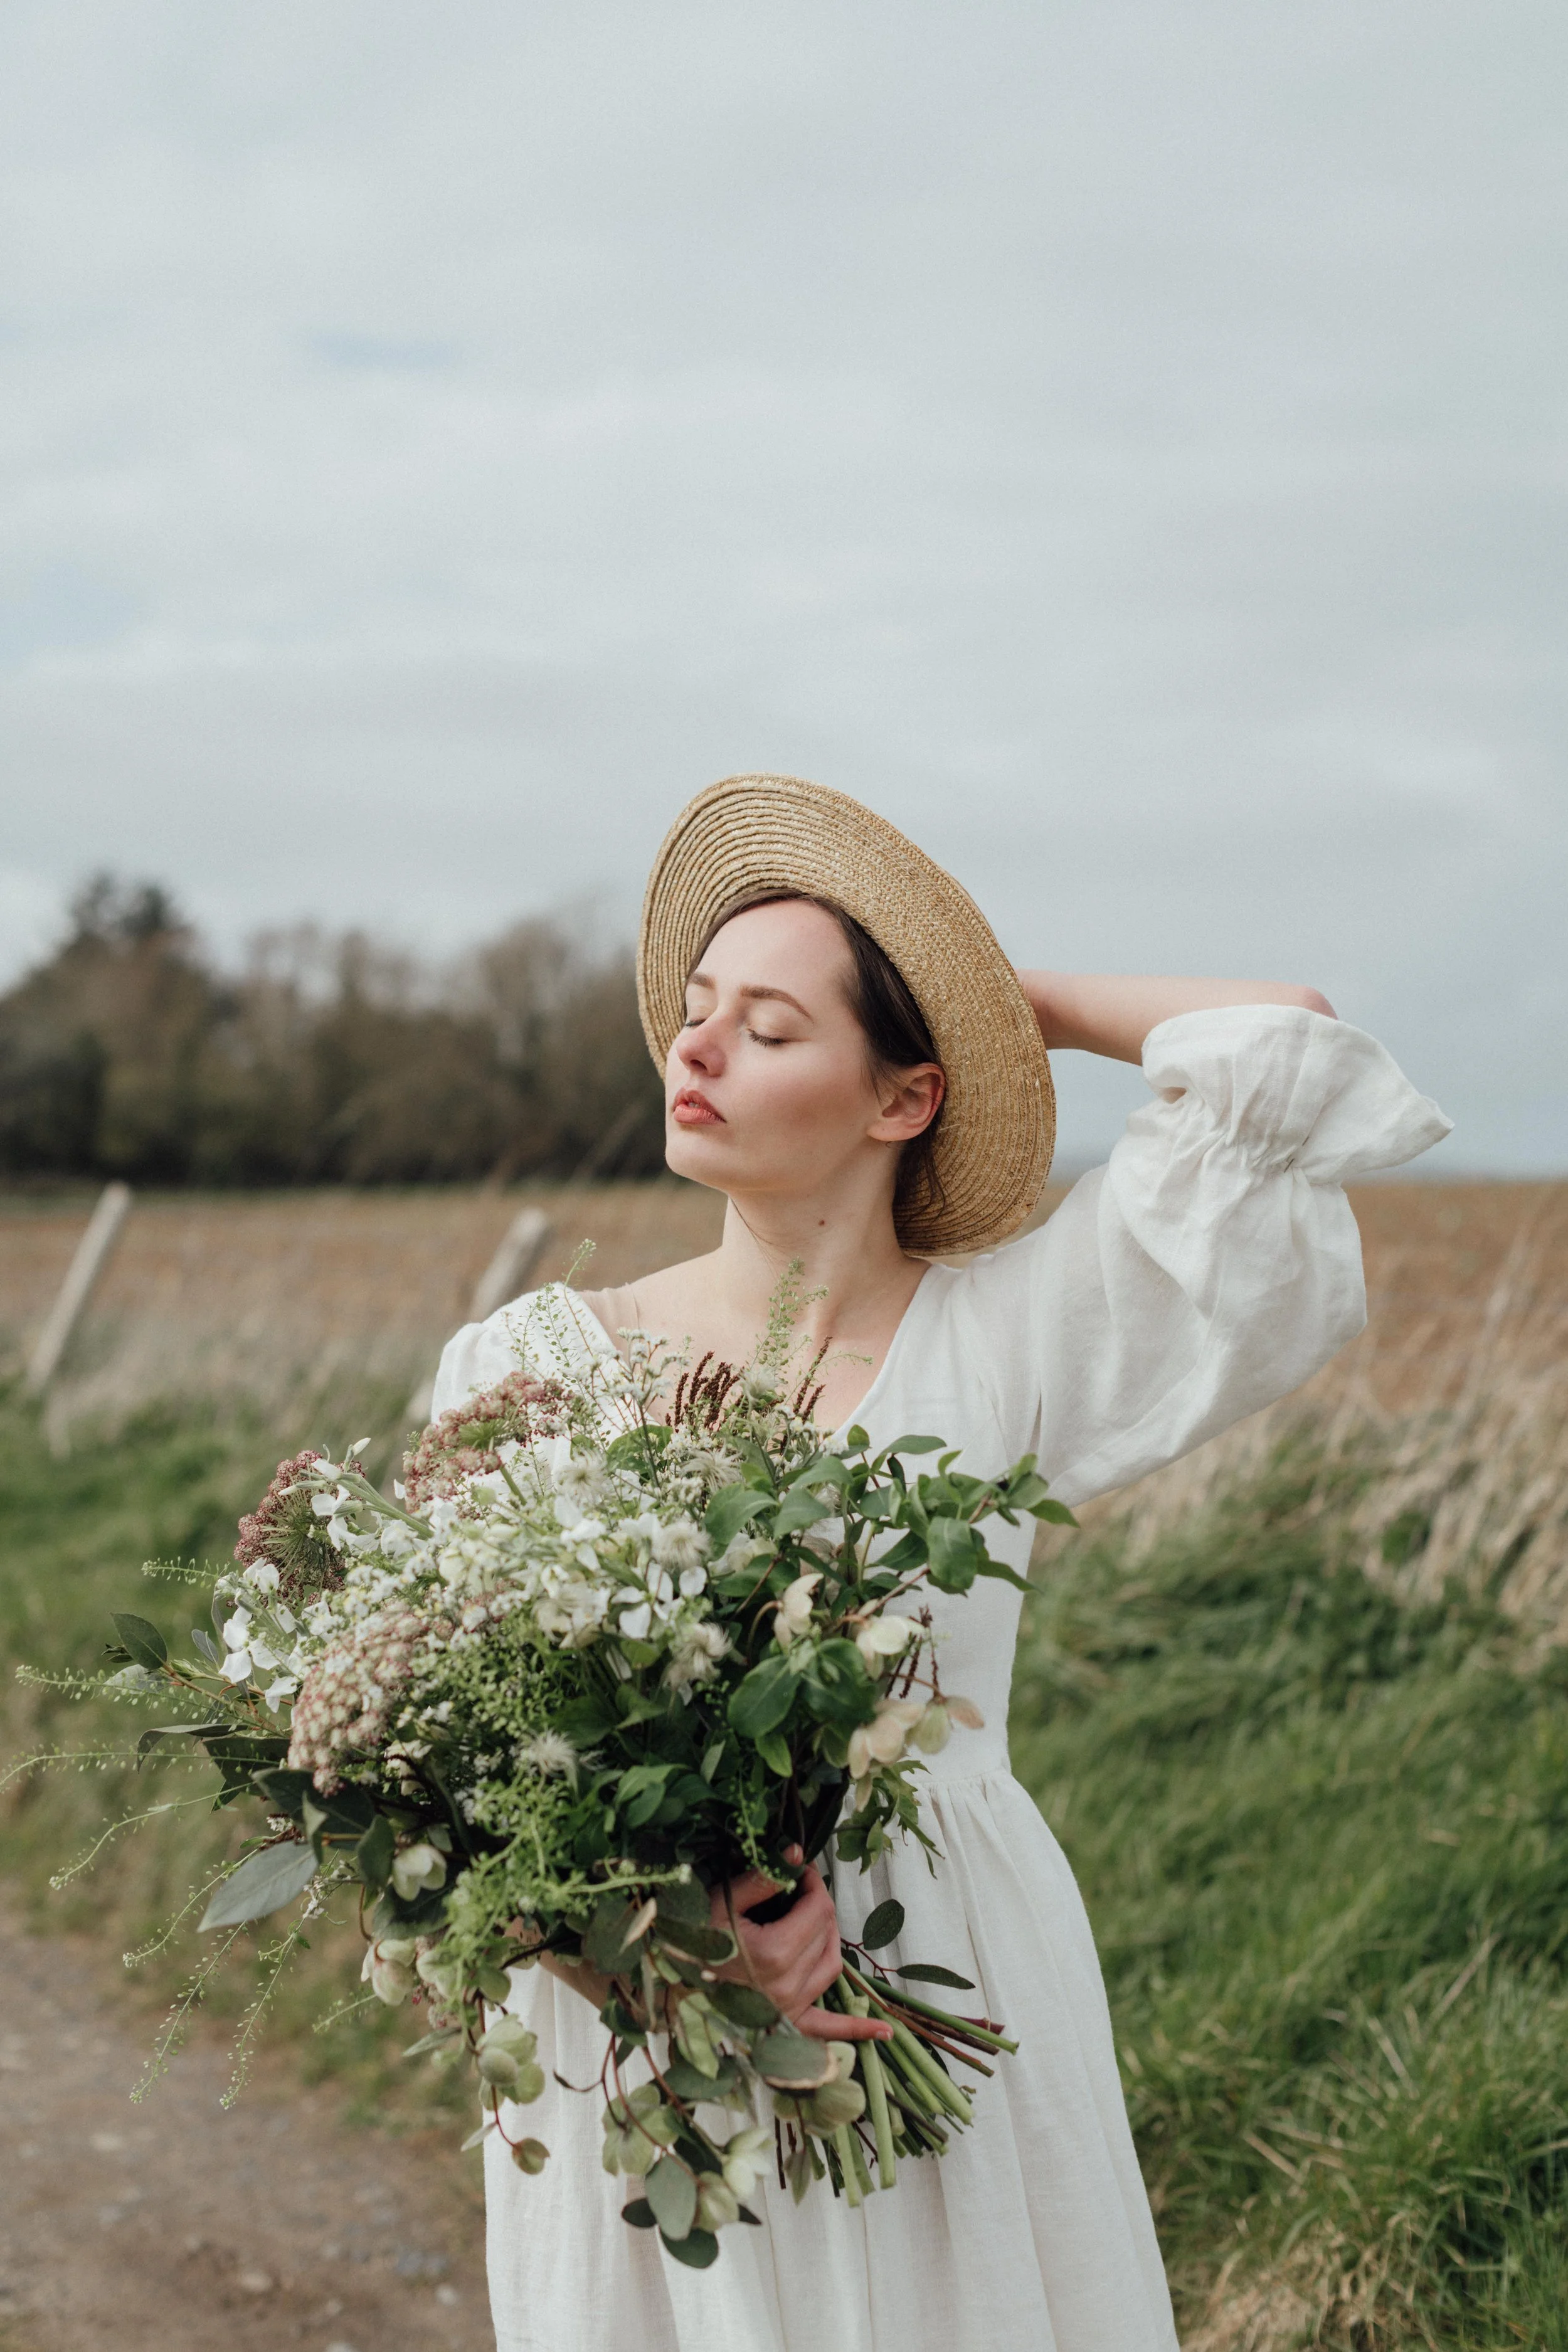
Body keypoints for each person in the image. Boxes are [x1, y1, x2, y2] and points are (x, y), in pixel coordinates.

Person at [430, 775, 1451, 2352]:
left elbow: (1281, 1046)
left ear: (903, 1097)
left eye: (768, 1031)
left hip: (942, 1970)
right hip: (641, 2013)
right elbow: (451, 1764)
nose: (692, 1050)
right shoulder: (530, 1364)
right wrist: (663, 1937)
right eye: (694, 1012)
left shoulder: (1016, 1330)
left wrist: (998, 1003)